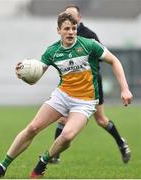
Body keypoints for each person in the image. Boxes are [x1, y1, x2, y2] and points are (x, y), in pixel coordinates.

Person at [0, 12, 133, 179]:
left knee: (67, 136)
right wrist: (24, 73)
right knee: (33, 128)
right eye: (66, 29)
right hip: (62, 96)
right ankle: (1, 167)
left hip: (85, 102)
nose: (71, 32)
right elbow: (35, 78)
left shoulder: (89, 45)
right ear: (58, 30)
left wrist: (124, 88)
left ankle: (42, 163)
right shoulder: (52, 51)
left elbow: (115, 61)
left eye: (73, 28)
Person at [50, 5, 131, 164]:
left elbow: (104, 56)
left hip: (91, 84)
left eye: (72, 15)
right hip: (71, 85)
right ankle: (55, 155)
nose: (70, 19)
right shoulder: (63, 36)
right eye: (66, 15)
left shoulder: (89, 36)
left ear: (79, 18)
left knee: (101, 120)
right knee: (62, 119)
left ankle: (121, 144)